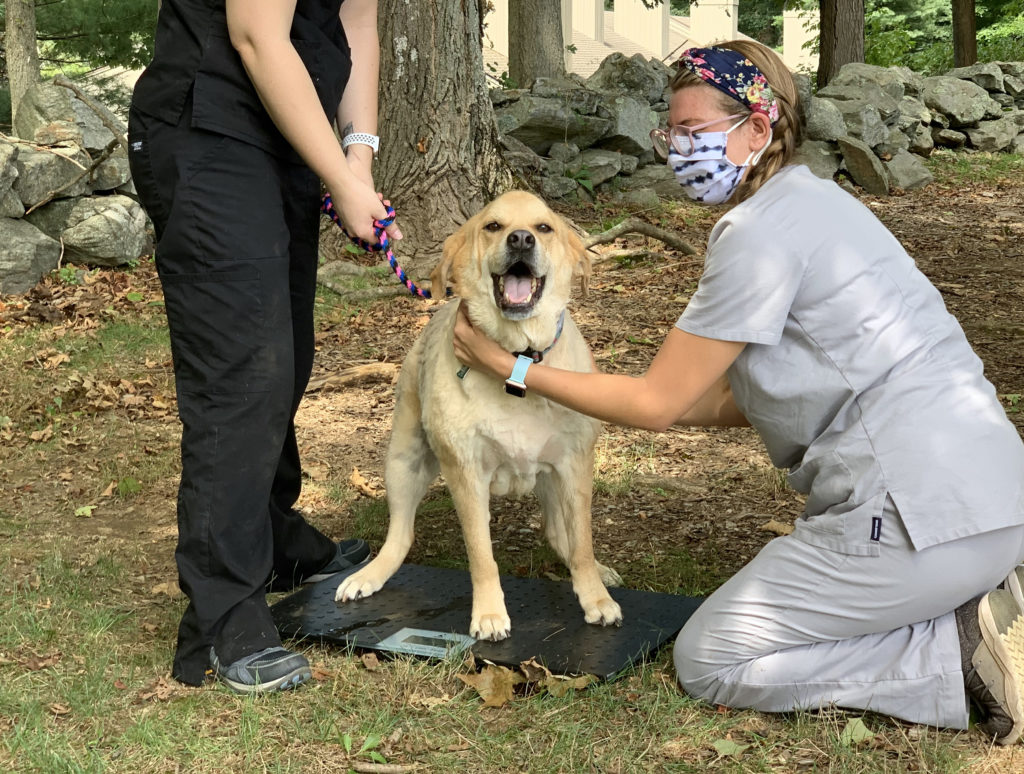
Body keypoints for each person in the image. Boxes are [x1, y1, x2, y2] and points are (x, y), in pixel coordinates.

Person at [453, 40, 1024, 743]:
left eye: (694, 133)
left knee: (711, 656)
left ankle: (951, 651)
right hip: (990, 501)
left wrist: (511, 368)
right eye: (673, 132)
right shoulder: (817, 203)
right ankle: (976, 601)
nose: (677, 150)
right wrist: (577, 387)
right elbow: (731, 399)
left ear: (759, 127)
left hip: (914, 521)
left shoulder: (757, 234)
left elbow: (659, 404)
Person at [127, 0, 400, 694]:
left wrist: (356, 153)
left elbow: (357, 23)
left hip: (286, 131)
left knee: (287, 354)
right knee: (244, 368)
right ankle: (223, 621)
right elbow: (255, 35)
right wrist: (340, 180)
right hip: (209, 128)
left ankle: (273, 540)